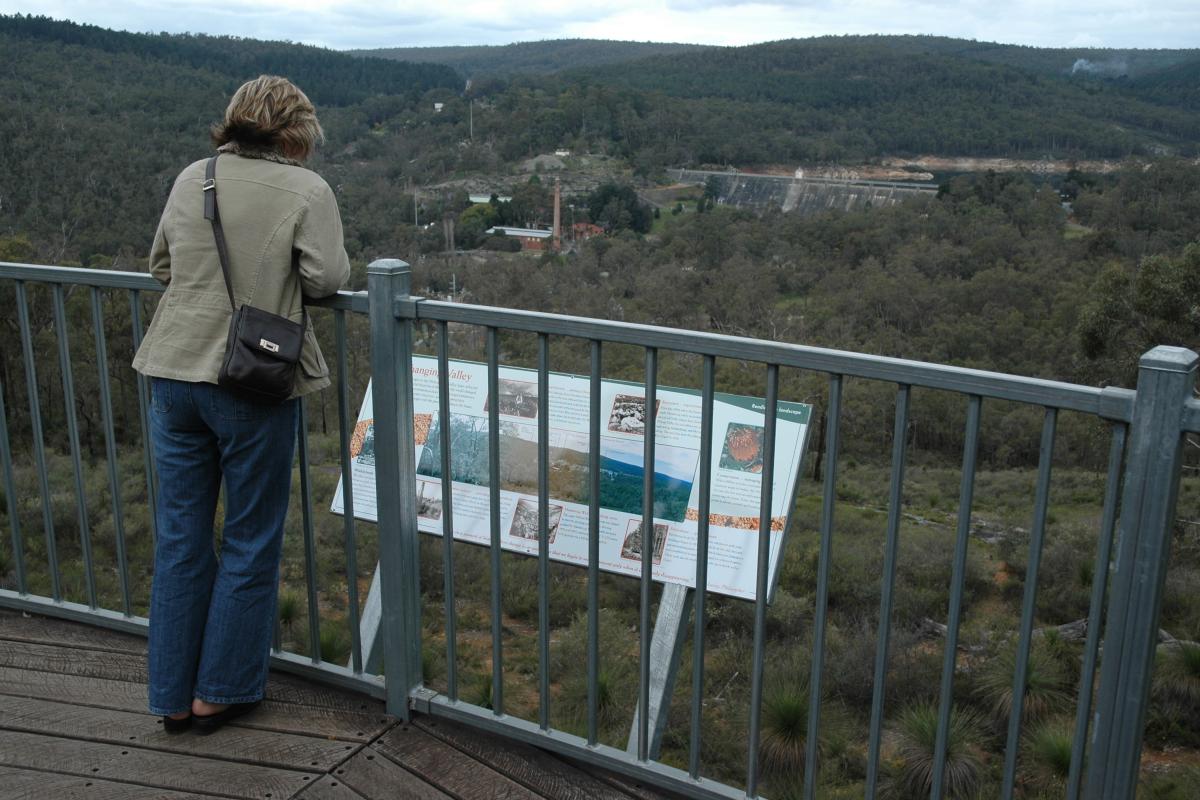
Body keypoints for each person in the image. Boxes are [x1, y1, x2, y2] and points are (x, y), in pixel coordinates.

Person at [132, 75, 351, 735]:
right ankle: (220, 692)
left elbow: (161, 267)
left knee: (180, 538)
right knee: (251, 538)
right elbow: (327, 279)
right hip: (250, 381)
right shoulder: (307, 190)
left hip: (172, 372)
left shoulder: (191, 177)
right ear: (294, 130)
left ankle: (171, 695)